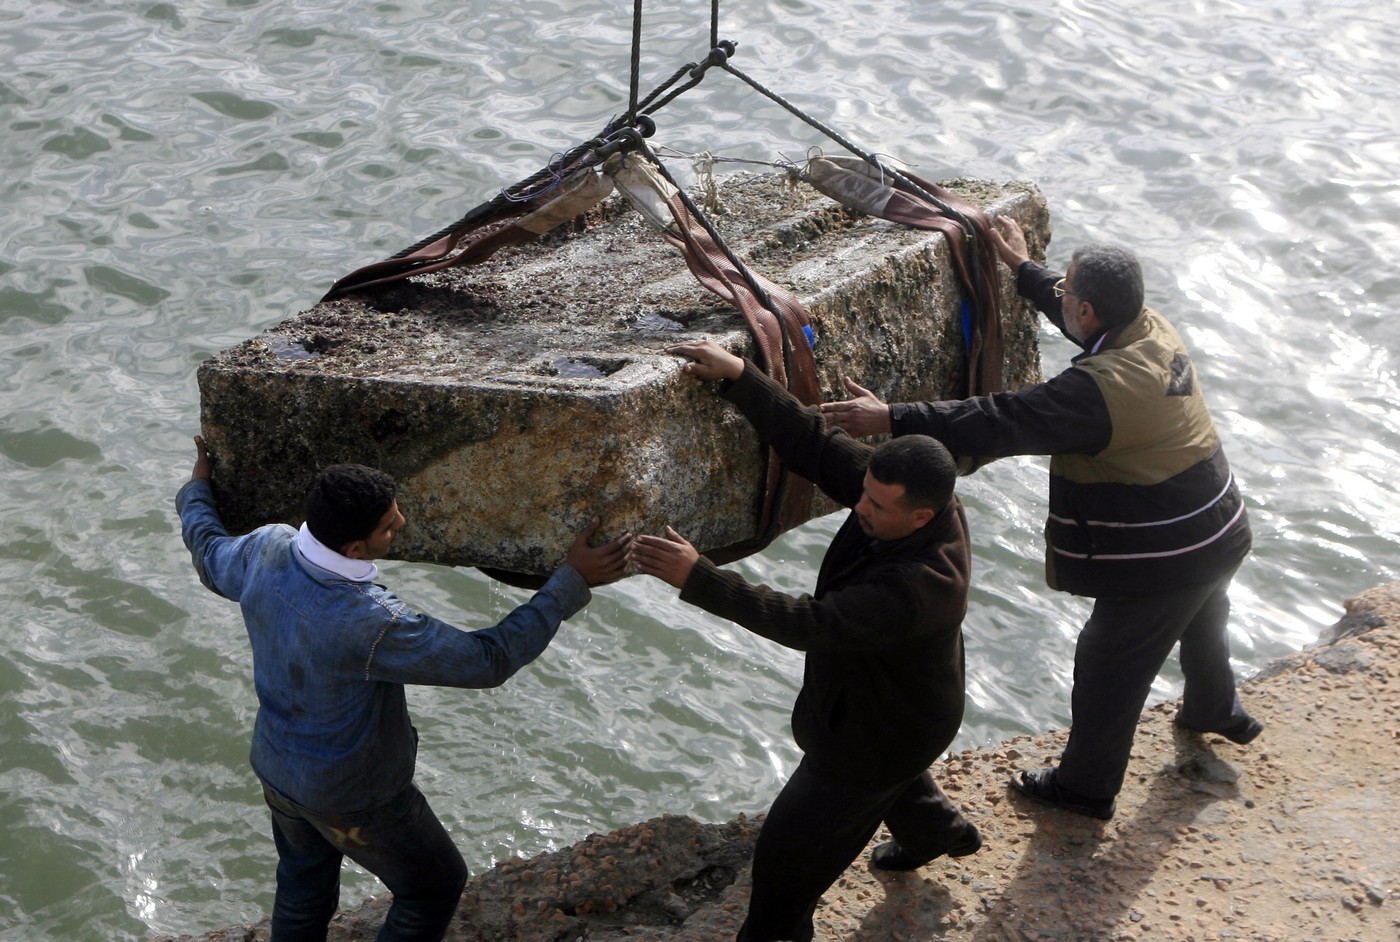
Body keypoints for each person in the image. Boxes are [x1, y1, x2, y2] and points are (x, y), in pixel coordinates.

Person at [819, 216, 1259, 821]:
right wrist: (1024, 269)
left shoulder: (1097, 391)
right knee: (1205, 618)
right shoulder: (1147, 328)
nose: (1065, 298)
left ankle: (1084, 788)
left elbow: (1001, 417)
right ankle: (1216, 709)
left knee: (1109, 663)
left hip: (1168, 554)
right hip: (1219, 522)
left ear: (1089, 312)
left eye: (1069, 291)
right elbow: (1075, 308)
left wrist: (891, 417)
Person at [176, 436, 629, 941]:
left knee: (303, 885)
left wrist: (197, 489)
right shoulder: (372, 623)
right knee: (433, 886)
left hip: (279, 772)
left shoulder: (265, 549)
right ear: (354, 548)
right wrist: (568, 582)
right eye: (389, 525)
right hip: (355, 797)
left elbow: (208, 548)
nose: (402, 525)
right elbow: (488, 660)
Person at [629, 341, 979, 942]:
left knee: (781, 881)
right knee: (896, 778)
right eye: (863, 492)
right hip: (907, 705)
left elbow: (805, 623)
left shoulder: (918, 588)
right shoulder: (907, 499)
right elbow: (816, 446)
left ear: (921, 517)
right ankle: (936, 831)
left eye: (874, 503)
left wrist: (699, 576)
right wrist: (742, 376)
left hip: (875, 741)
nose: (859, 505)